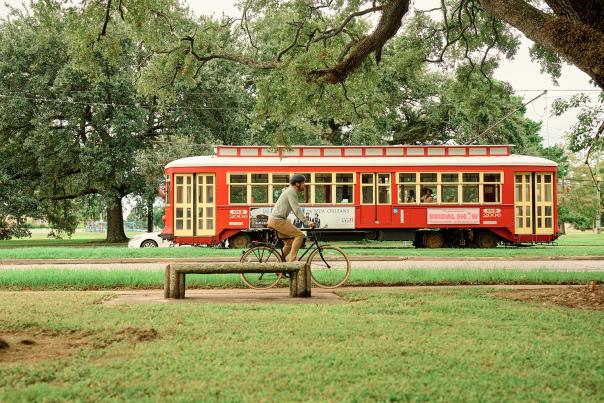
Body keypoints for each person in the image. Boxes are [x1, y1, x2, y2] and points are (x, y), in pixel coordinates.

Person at [268, 174, 316, 262]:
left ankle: (278, 267)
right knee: (299, 235)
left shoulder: (290, 191)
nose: (304, 185)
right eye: (303, 183)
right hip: (278, 220)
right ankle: (292, 261)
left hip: (276, 220)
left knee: (289, 244)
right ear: (297, 184)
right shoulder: (291, 191)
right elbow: (296, 209)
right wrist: (307, 222)